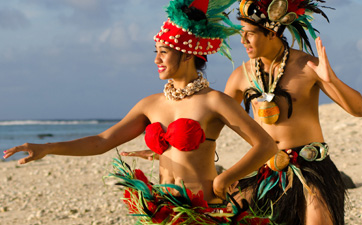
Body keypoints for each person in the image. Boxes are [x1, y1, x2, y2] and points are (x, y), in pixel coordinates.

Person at [3, 0, 278, 224]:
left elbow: (264, 145)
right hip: (159, 210)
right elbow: (102, 141)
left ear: (186, 54)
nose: (156, 59)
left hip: (204, 212)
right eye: (155, 51)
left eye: (163, 52)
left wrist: (225, 179)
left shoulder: (214, 102)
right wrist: (48, 147)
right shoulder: (150, 104)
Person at [223, 0, 362, 225]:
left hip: (311, 169)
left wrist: (332, 80)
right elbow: (214, 121)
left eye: (250, 34)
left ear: (271, 32)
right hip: (264, 170)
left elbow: (359, 109)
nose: (243, 41)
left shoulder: (307, 66)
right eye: (242, 34)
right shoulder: (240, 76)